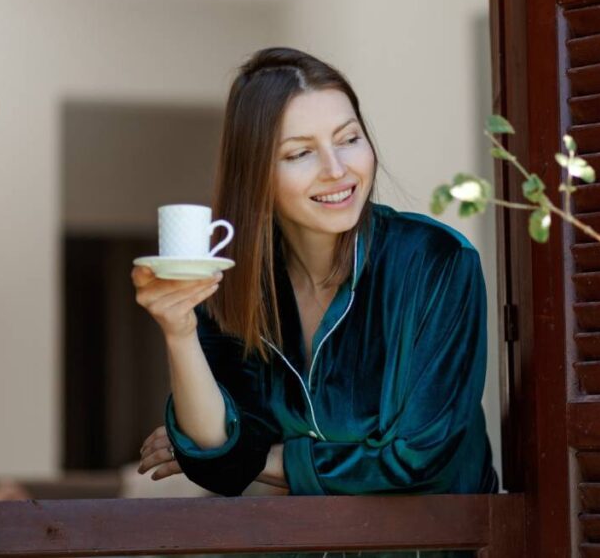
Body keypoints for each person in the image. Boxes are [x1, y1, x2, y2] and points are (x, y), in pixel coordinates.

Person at [132, 46, 498, 497]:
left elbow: (420, 457)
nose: (337, 169)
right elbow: (217, 447)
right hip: (308, 535)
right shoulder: (233, 281)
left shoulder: (437, 262)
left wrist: (255, 458)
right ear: (256, 175)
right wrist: (179, 330)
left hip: (444, 535)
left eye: (348, 139)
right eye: (301, 152)